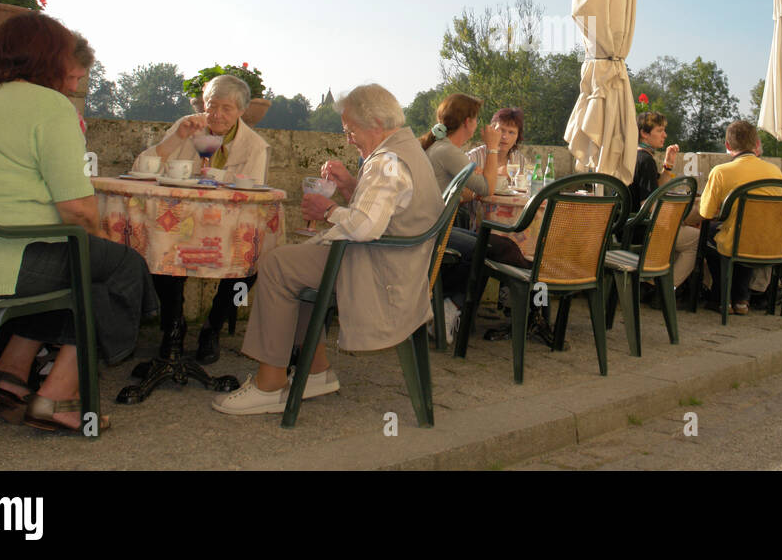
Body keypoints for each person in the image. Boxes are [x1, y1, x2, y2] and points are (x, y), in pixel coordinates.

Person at [0, 12, 156, 431]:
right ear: (50, 59)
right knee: (120, 268)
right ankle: (58, 399)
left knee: (81, 265)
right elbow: (78, 209)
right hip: (5, 260)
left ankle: (9, 374)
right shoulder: (49, 106)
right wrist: (97, 243)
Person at [214, 84, 443, 415]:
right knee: (298, 263)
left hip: (379, 275)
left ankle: (270, 384)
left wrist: (326, 210)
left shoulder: (386, 161)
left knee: (278, 264)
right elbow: (387, 212)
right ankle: (316, 370)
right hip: (398, 267)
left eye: (350, 130)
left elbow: (366, 227)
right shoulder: (406, 151)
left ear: (376, 123)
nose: (348, 138)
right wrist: (351, 185)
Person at [135, 74, 270, 364]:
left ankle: (214, 325)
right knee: (162, 248)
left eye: (226, 109)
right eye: (211, 106)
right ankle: (174, 325)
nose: (216, 115)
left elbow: (253, 195)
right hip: (181, 223)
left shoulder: (255, 146)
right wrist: (177, 138)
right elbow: (142, 168)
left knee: (249, 266)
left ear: (242, 111)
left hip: (229, 225)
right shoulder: (187, 127)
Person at [418, 94, 529, 339]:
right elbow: (487, 189)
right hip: (432, 232)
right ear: (468, 122)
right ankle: (449, 309)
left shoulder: (443, 148)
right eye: (477, 119)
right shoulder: (449, 151)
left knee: (494, 249)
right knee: (493, 250)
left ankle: (447, 307)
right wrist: (491, 147)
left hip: (434, 227)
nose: (479, 126)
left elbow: (460, 192)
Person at [699, 120, 782, 315]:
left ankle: (721, 298)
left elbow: (706, 213)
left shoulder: (721, 172)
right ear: (756, 145)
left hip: (738, 243)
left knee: (712, 235)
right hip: (773, 244)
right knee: (744, 230)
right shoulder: (775, 172)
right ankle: (741, 299)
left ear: (728, 146)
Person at [627, 111, 701, 290]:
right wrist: (676, 218)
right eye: (660, 130)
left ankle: (654, 281)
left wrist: (668, 165)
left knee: (683, 235)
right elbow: (648, 205)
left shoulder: (636, 156)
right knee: (697, 239)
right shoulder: (645, 160)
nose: (665, 135)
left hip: (629, 226)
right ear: (644, 133)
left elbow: (654, 190)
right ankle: (662, 290)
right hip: (642, 230)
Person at [466, 107, 525, 183]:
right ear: (492, 130)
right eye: (501, 130)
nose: (505, 136)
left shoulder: (520, 160)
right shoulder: (473, 157)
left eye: (511, 132)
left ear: (517, 138)